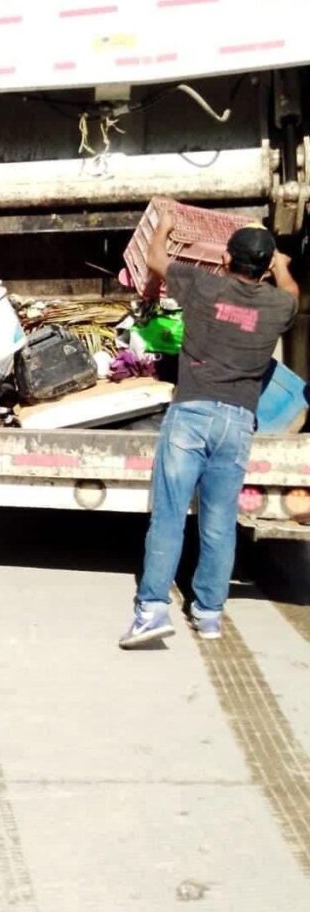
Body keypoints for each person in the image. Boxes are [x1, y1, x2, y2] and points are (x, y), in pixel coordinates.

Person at [120, 215, 299, 649]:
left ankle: (152, 611)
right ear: (265, 268)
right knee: (219, 523)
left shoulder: (203, 285)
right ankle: (209, 614)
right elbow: (292, 292)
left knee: (169, 516)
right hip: (237, 423)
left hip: (191, 414)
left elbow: (156, 259)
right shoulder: (278, 306)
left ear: (225, 260)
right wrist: (280, 264)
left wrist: (164, 226)